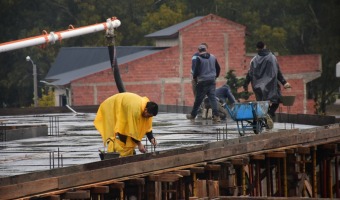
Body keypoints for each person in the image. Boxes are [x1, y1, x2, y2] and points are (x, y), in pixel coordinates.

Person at [94, 92, 158, 157]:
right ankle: (112, 145)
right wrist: (139, 144)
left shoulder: (148, 112)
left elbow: (147, 127)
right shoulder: (136, 111)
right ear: (146, 110)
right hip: (114, 105)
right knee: (122, 133)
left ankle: (127, 153)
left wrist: (151, 138)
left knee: (129, 142)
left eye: (150, 116)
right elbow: (132, 132)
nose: (148, 117)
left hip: (126, 108)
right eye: (148, 115)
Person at [243, 41, 291, 129]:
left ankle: (264, 120)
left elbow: (250, 74)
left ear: (257, 48)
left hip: (258, 87)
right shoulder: (272, 58)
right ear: (265, 46)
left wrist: (245, 85)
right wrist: (284, 82)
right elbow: (278, 72)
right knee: (277, 100)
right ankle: (269, 114)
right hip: (271, 85)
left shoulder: (253, 60)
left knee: (261, 105)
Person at [186, 43, 221, 122]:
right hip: (212, 81)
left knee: (198, 100)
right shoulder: (213, 57)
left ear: (199, 51)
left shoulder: (199, 58)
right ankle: (216, 116)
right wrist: (215, 76)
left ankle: (192, 115)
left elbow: (196, 71)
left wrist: (195, 78)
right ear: (206, 49)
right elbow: (218, 68)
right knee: (213, 99)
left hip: (202, 82)